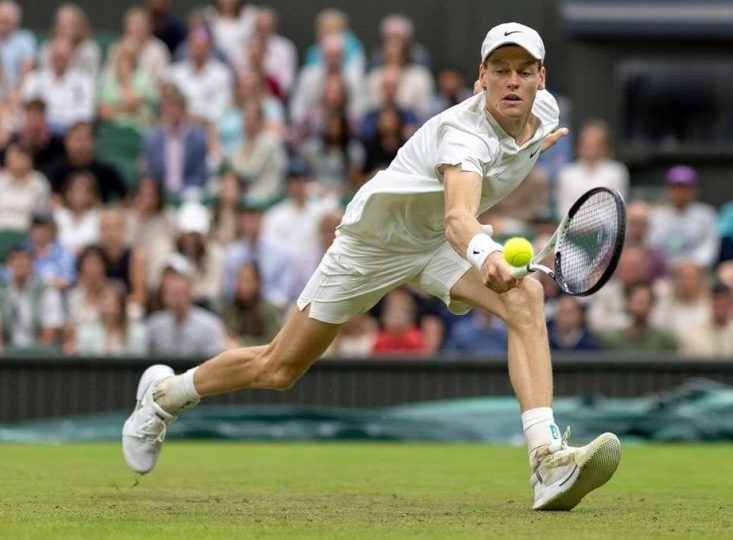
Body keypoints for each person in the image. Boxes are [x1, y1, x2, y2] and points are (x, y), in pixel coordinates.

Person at [122, 23, 621, 512]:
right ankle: (165, 396)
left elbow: (459, 214)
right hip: (375, 242)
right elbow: (457, 217)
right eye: (501, 70)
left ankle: (545, 460)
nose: (513, 81)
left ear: (541, 77)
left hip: (431, 243)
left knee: (526, 298)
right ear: (481, 78)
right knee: (279, 368)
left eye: (524, 71)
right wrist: (486, 255)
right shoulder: (463, 137)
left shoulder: (544, 112)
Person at [0, 245, 64, 354]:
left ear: (33, 264)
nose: (20, 263)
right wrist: (0, 358)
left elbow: (49, 333)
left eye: (25, 259)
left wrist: (34, 358)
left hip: (38, 355)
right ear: (9, 265)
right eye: (16, 259)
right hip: (6, 353)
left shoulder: (47, 292)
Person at [647, 165, 719, 270]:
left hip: (696, 271)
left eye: (685, 188)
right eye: (676, 187)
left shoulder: (707, 214)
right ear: (668, 189)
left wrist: (691, 265)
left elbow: (709, 247)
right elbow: (652, 245)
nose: (680, 192)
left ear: (695, 190)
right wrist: (669, 265)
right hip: (663, 271)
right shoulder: (655, 215)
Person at [555, 119, 629, 219]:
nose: (591, 147)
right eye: (587, 143)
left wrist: (594, 225)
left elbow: (616, 207)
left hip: (606, 228)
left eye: (596, 144)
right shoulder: (566, 173)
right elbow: (563, 207)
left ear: (605, 146)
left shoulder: (617, 171)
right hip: (571, 228)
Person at [20, 37, 96, 133]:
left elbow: (87, 113)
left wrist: (60, 123)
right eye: (57, 56)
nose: (59, 60)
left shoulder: (84, 81)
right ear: (50, 56)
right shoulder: (34, 79)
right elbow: (27, 109)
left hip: (70, 134)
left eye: (63, 57)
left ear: (72, 56)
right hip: (40, 134)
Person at [146, 269, 225, 356]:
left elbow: (214, 359)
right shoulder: (154, 324)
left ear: (191, 294)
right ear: (164, 296)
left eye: (181, 293)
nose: (177, 299)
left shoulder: (210, 324)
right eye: (172, 293)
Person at [0, 141, 51, 233]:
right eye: (15, 156)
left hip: (27, 233)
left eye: (23, 156)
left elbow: (39, 215)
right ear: (6, 159)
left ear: (31, 159)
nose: (19, 160)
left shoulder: (40, 183)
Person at [75, 279, 148, 356]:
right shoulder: (86, 332)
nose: (107, 305)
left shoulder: (137, 333)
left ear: (121, 306)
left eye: (113, 301)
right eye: (104, 299)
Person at [37, 3, 101, 80]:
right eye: (62, 24)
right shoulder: (46, 48)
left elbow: (91, 79)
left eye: (71, 24)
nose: (66, 28)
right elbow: (42, 77)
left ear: (80, 25)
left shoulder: (89, 49)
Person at [678, 282, 733, 358]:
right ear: (708, 303)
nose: (721, 304)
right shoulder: (693, 337)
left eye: (725, 300)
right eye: (716, 299)